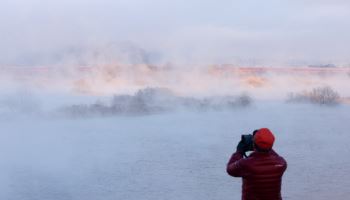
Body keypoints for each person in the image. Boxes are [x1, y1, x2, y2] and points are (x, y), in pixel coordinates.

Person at [226, 128, 287, 200]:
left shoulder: (246, 164)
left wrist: (239, 151)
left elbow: (230, 169)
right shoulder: (281, 163)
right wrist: (263, 145)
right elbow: (272, 153)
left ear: (254, 144)